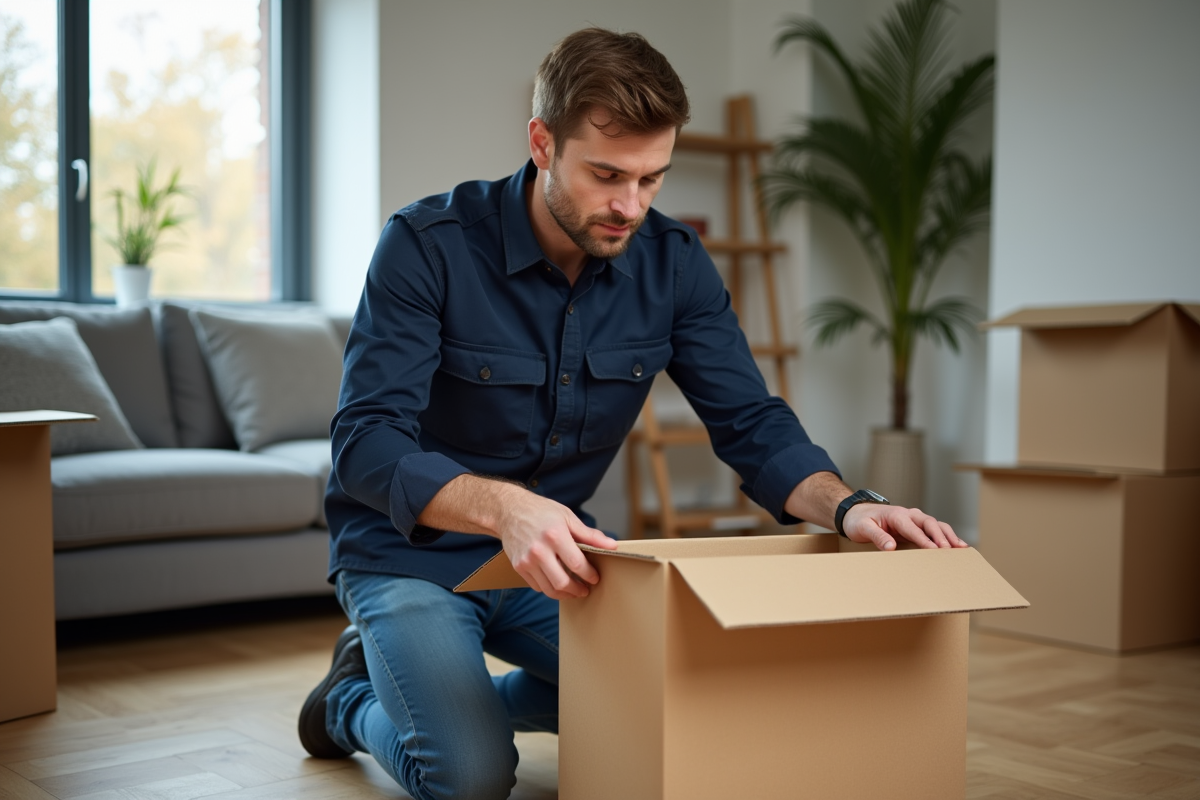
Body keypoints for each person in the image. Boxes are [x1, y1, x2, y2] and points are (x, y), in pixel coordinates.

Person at [298, 26, 967, 800]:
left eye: (652, 179)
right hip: (408, 555)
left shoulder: (673, 263)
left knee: (701, 696)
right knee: (471, 777)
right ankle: (351, 701)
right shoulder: (426, 245)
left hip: (557, 561)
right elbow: (366, 443)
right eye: (607, 175)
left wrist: (849, 506)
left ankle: (463, 704)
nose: (630, 206)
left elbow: (751, 422)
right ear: (542, 143)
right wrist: (508, 508)